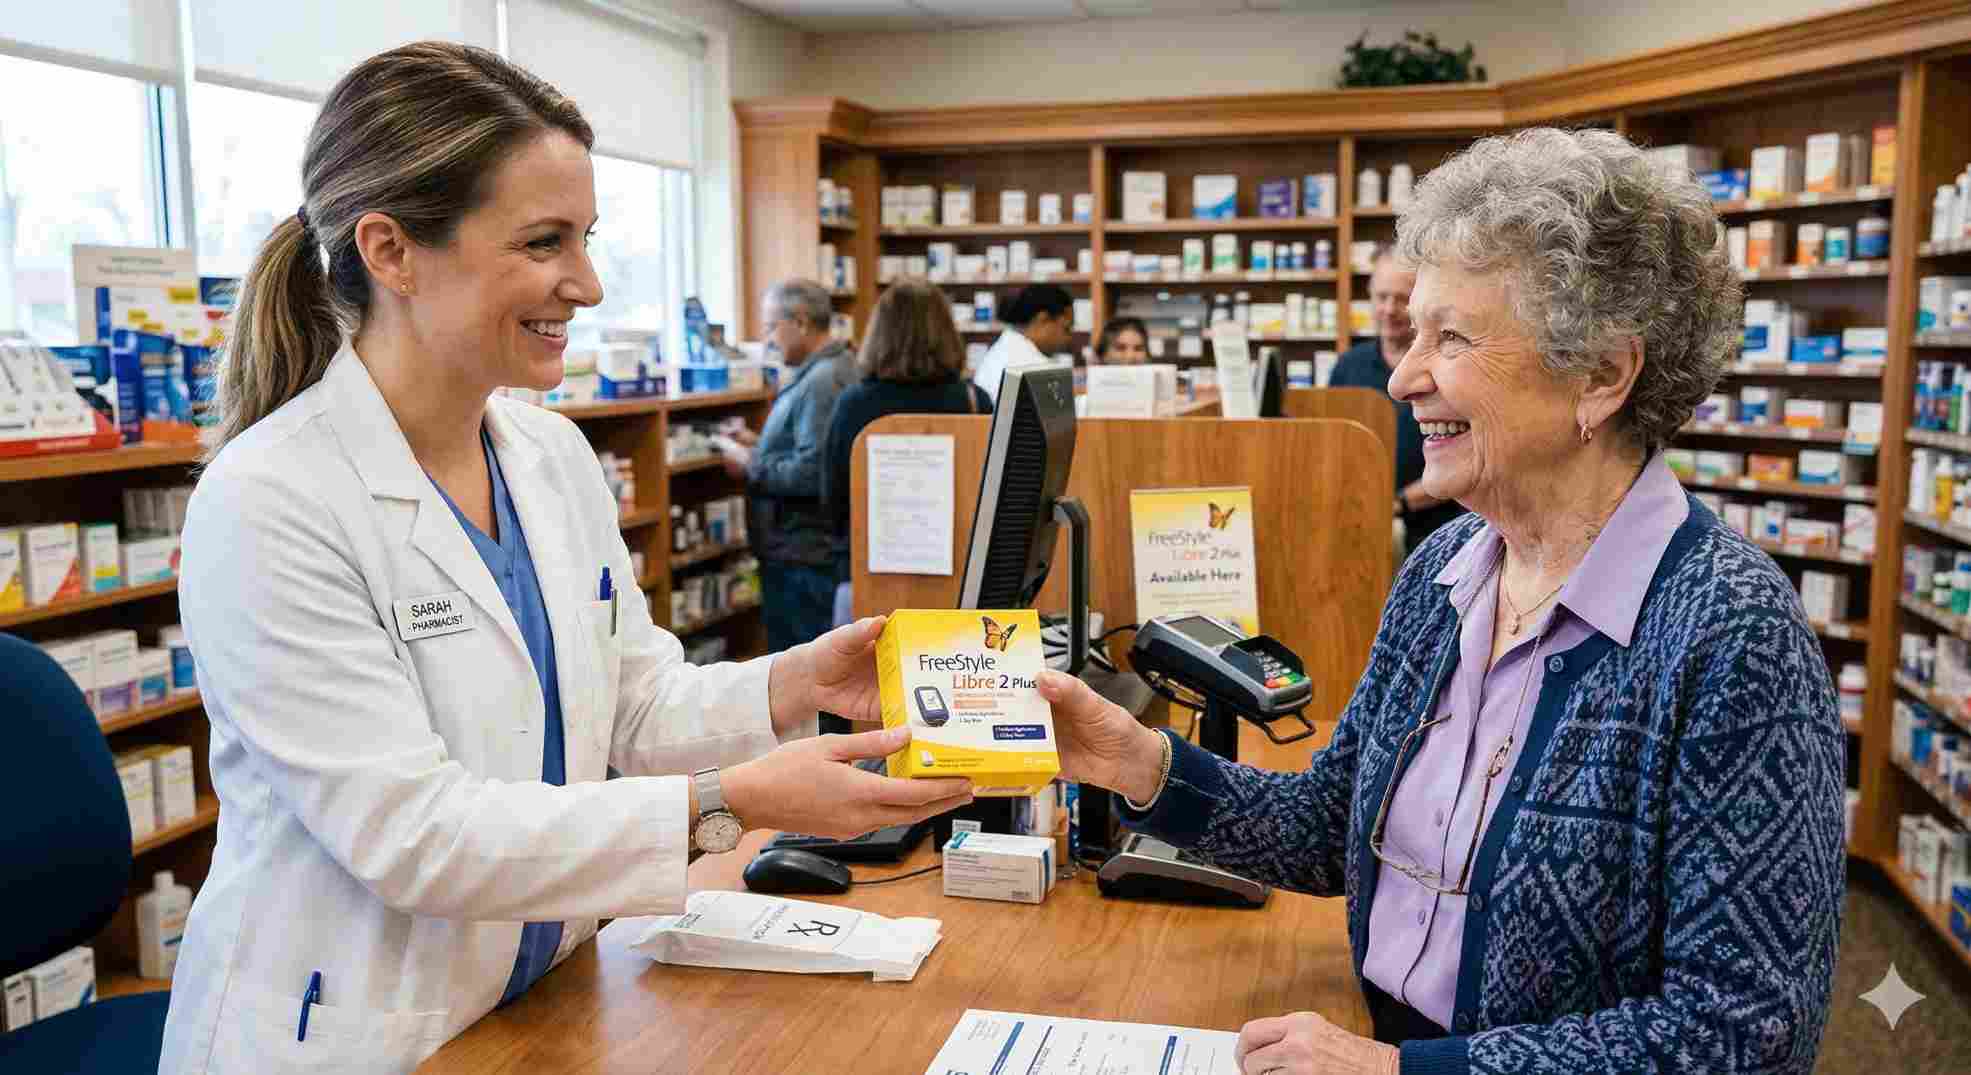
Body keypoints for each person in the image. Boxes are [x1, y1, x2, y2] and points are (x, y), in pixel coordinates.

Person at [161, 43, 971, 1073]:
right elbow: (417, 836)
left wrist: (793, 682)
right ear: (390, 250)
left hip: (544, 995)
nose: (585, 283)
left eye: (586, 239)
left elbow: (630, 707)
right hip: (355, 1030)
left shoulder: (547, 455)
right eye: (544, 243)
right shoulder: (271, 500)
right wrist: (738, 802)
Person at [1037, 128, 1844, 1074]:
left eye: (1450, 336)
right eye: (1413, 330)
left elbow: (1742, 1031)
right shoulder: (1446, 570)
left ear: (1602, 374)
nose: (1401, 375)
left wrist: (1400, 1073)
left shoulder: (1729, 632)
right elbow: (1332, 830)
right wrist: (1134, 760)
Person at [718, 277, 856, 653]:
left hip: (804, 557)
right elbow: (813, 449)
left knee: (804, 674)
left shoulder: (823, 381)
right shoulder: (827, 370)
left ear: (800, 321)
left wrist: (750, 467)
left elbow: (813, 471)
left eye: (770, 327)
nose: (767, 339)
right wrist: (759, 445)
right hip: (802, 554)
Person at [1329, 247, 1462, 557]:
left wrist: (1398, 504)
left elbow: (1463, 456)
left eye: (1402, 299)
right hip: (1357, 528)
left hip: (1436, 535)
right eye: (1381, 297)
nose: (1389, 309)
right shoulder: (1348, 367)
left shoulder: (1448, 367)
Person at [974, 282, 1074, 401]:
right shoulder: (1035, 367)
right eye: (1066, 328)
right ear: (1043, 319)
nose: (1069, 338)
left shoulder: (1003, 349)